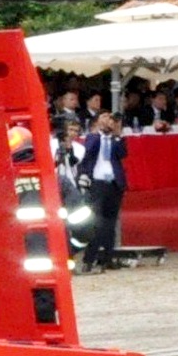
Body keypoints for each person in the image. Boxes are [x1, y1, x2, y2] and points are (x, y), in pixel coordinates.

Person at [73, 109, 128, 273]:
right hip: (96, 183)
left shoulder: (115, 139)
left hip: (113, 183)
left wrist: (116, 134)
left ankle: (108, 258)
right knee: (97, 222)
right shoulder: (93, 138)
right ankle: (89, 259)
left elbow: (123, 154)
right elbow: (88, 151)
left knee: (110, 223)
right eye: (104, 118)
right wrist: (99, 133)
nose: (108, 121)